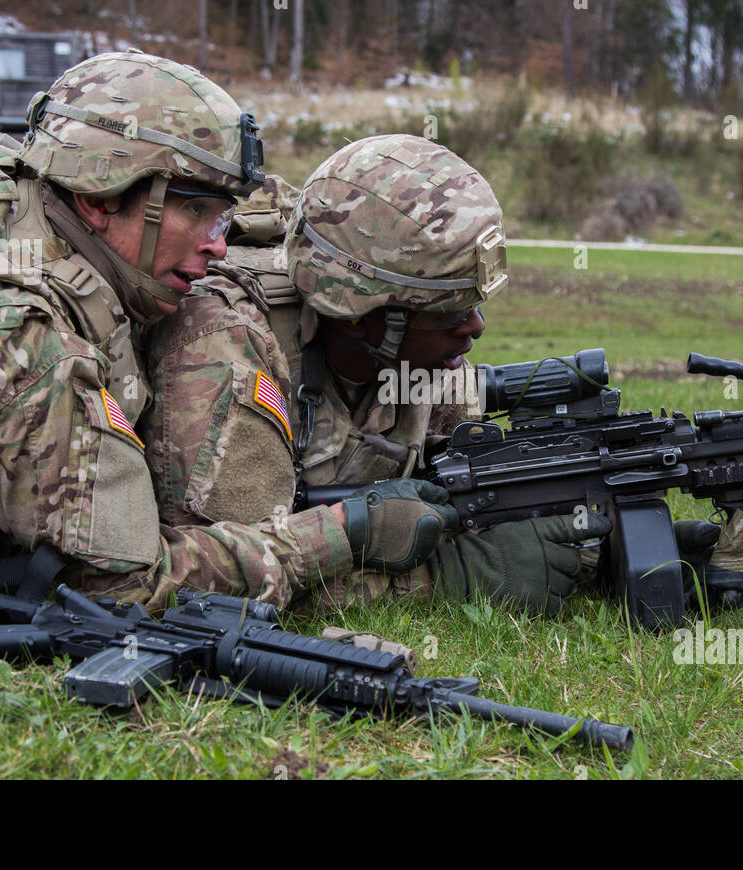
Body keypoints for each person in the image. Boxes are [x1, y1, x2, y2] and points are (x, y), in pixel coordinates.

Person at [0, 52, 456, 612]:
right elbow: (124, 585)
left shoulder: (30, 205)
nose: (219, 246)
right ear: (100, 196)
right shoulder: (9, 333)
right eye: (197, 212)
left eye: (223, 218)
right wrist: (342, 532)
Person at [142, 134, 613, 615]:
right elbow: (220, 582)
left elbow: (477, 499)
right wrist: (447, 578)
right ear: (361, 315)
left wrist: (605, 538)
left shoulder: (411, 358)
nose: (475, 327)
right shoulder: (225, 348)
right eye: (448, 312)